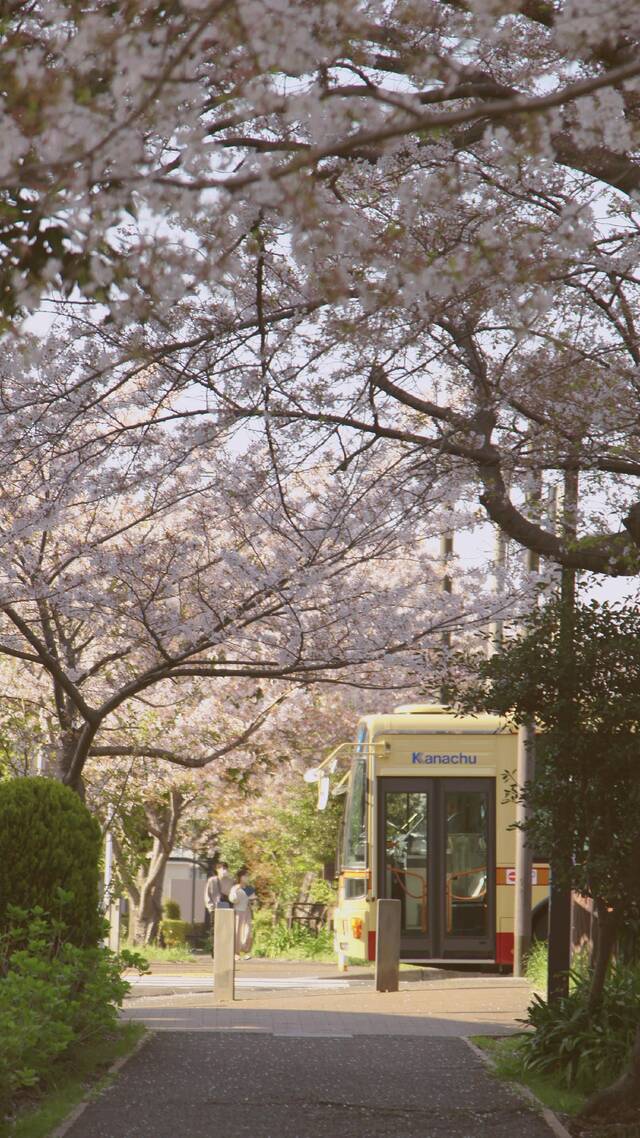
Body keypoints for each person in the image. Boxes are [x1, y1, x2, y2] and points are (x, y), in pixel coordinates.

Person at [229, 867, 256, 959]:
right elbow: (233, 899)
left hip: (247, 911)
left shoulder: (249, 888)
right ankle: (235, 953)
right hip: (238, 912)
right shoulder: (235, 887)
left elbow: (253, 900)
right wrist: (237, 890)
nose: (246, 878)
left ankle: (246, 951)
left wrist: (253, 902)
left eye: (247, 876)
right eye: (244, 876)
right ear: (240, 877)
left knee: (247, 931)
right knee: (237, 932)